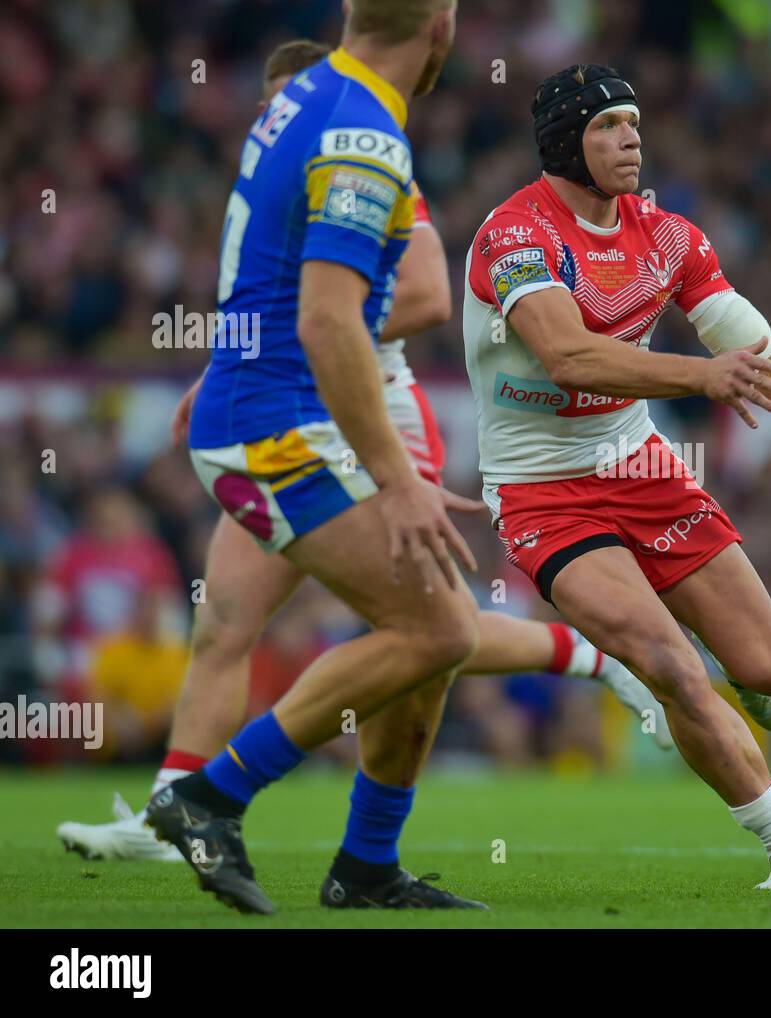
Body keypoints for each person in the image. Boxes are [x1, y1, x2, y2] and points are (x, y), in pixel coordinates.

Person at [57, 37, 668, 869]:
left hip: (374, 419)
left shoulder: (367, 163)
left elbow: (420, 292)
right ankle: (173, 817)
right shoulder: (294, 176)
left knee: (430, 628)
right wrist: (245, 357)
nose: (279, 119)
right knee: (226, 623)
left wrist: (304, 338)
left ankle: (587, 655)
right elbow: (288, 310)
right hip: (291, 420)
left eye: (287, 102)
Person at [463, 64, 771, 889]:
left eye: (636, 121)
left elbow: (760, 348)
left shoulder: (669, 236)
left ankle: (741, 674)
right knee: (669, 664)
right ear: (567, 141)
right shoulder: (515, 236)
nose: (632, 137)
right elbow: (567, 357)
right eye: (610, 125)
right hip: (539, 490)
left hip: (641, 466)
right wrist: (700, 376)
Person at [138, 0, 494, 916]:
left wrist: (232, 357)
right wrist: (398, 478)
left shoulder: (299, 97)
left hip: (266, 405)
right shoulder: (364, 135)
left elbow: (266, 262)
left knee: (431, 632)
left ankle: (366, 865)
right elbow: (326, 317)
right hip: (277, 428)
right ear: (442, 31)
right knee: (441, 629)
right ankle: (206, 797)